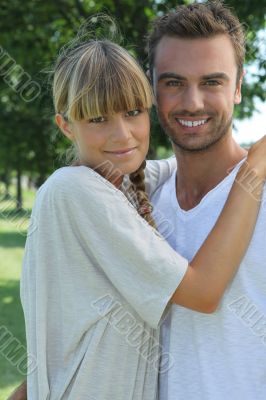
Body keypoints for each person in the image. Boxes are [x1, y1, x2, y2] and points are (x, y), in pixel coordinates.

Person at [8, 33, 266, 400]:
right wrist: (254, 168)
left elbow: (186, 163)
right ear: (66, 126)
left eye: (132, 112)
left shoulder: (129, 185)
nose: (122, 134)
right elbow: (203, 292)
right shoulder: (74, 191)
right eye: (97, 118)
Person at [146, 1, 266, 399]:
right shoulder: (143, 205)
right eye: (174, 82)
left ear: (237, 87)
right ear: (152, 85)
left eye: (212, 82)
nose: (192, 103)